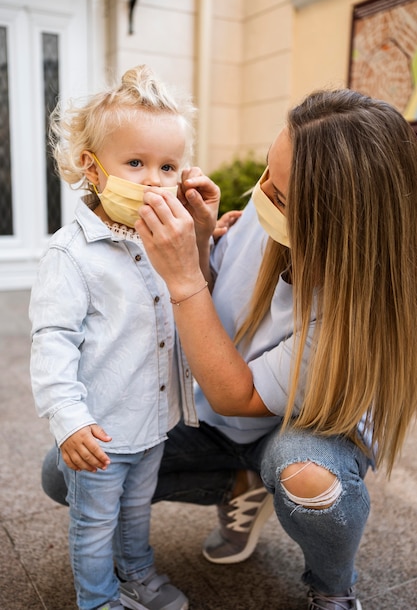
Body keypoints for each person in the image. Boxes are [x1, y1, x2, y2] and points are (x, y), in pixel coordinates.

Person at [41, 89, 417, 610]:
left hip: (288, 434)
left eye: (280, 195)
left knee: (306, 477)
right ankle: (240, 482)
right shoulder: (265, 222)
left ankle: (333, 587)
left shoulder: (359, 315)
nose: (259, 193)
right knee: (67, 471)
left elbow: (232, 394)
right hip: (220, 425)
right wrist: (200, 243)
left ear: (337, 221)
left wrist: (180, 277)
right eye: (268, 171)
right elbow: (216, 299)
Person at [29, 64, 199, 610]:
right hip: (99, 430)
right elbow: (52, 340)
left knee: (136, 510)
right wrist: (68, 419)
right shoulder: (70, 254)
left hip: (150, 420)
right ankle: (98, 599)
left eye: (168, 166)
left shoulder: (163, 240)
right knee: (95, 523)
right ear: (92, 167)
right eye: (136, 163)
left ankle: (138, 576)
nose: (154, 179)